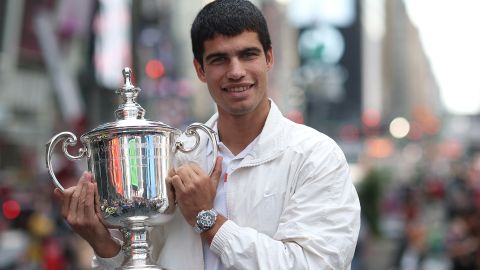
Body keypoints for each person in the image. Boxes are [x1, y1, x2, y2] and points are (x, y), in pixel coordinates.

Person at [54, 0, 361, 269]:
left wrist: (208, 220)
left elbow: (314, 265)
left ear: (269, 58)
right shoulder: (174, 156)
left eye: (248, 54)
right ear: (200, 70)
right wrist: (102, 244)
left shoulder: (316, 156)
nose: (236, 71)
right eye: (219, 59)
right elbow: (146, 263)